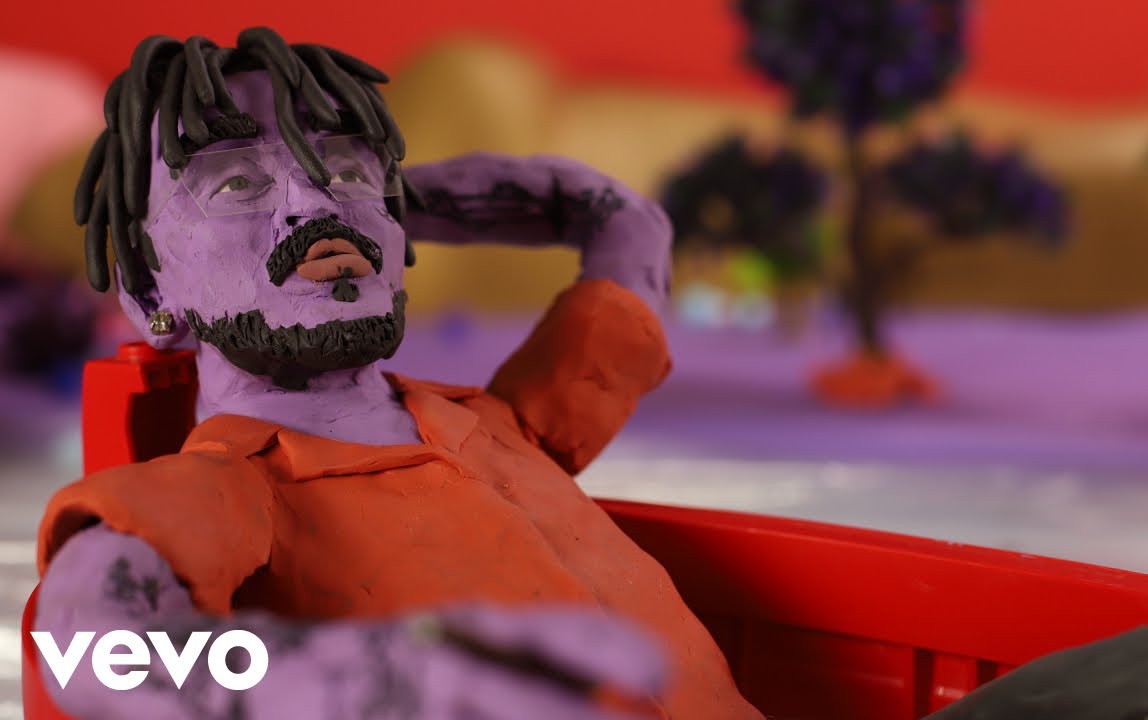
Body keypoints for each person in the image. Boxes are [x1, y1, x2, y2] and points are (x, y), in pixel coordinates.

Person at [34, 28, 761, 720]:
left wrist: (405, 198)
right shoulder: (228, 491)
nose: (317, 202)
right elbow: (93, 649)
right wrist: (379, 677)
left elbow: (625, 226)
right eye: (234, 186)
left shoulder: (505, 424)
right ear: (151, 294)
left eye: (346, 171)